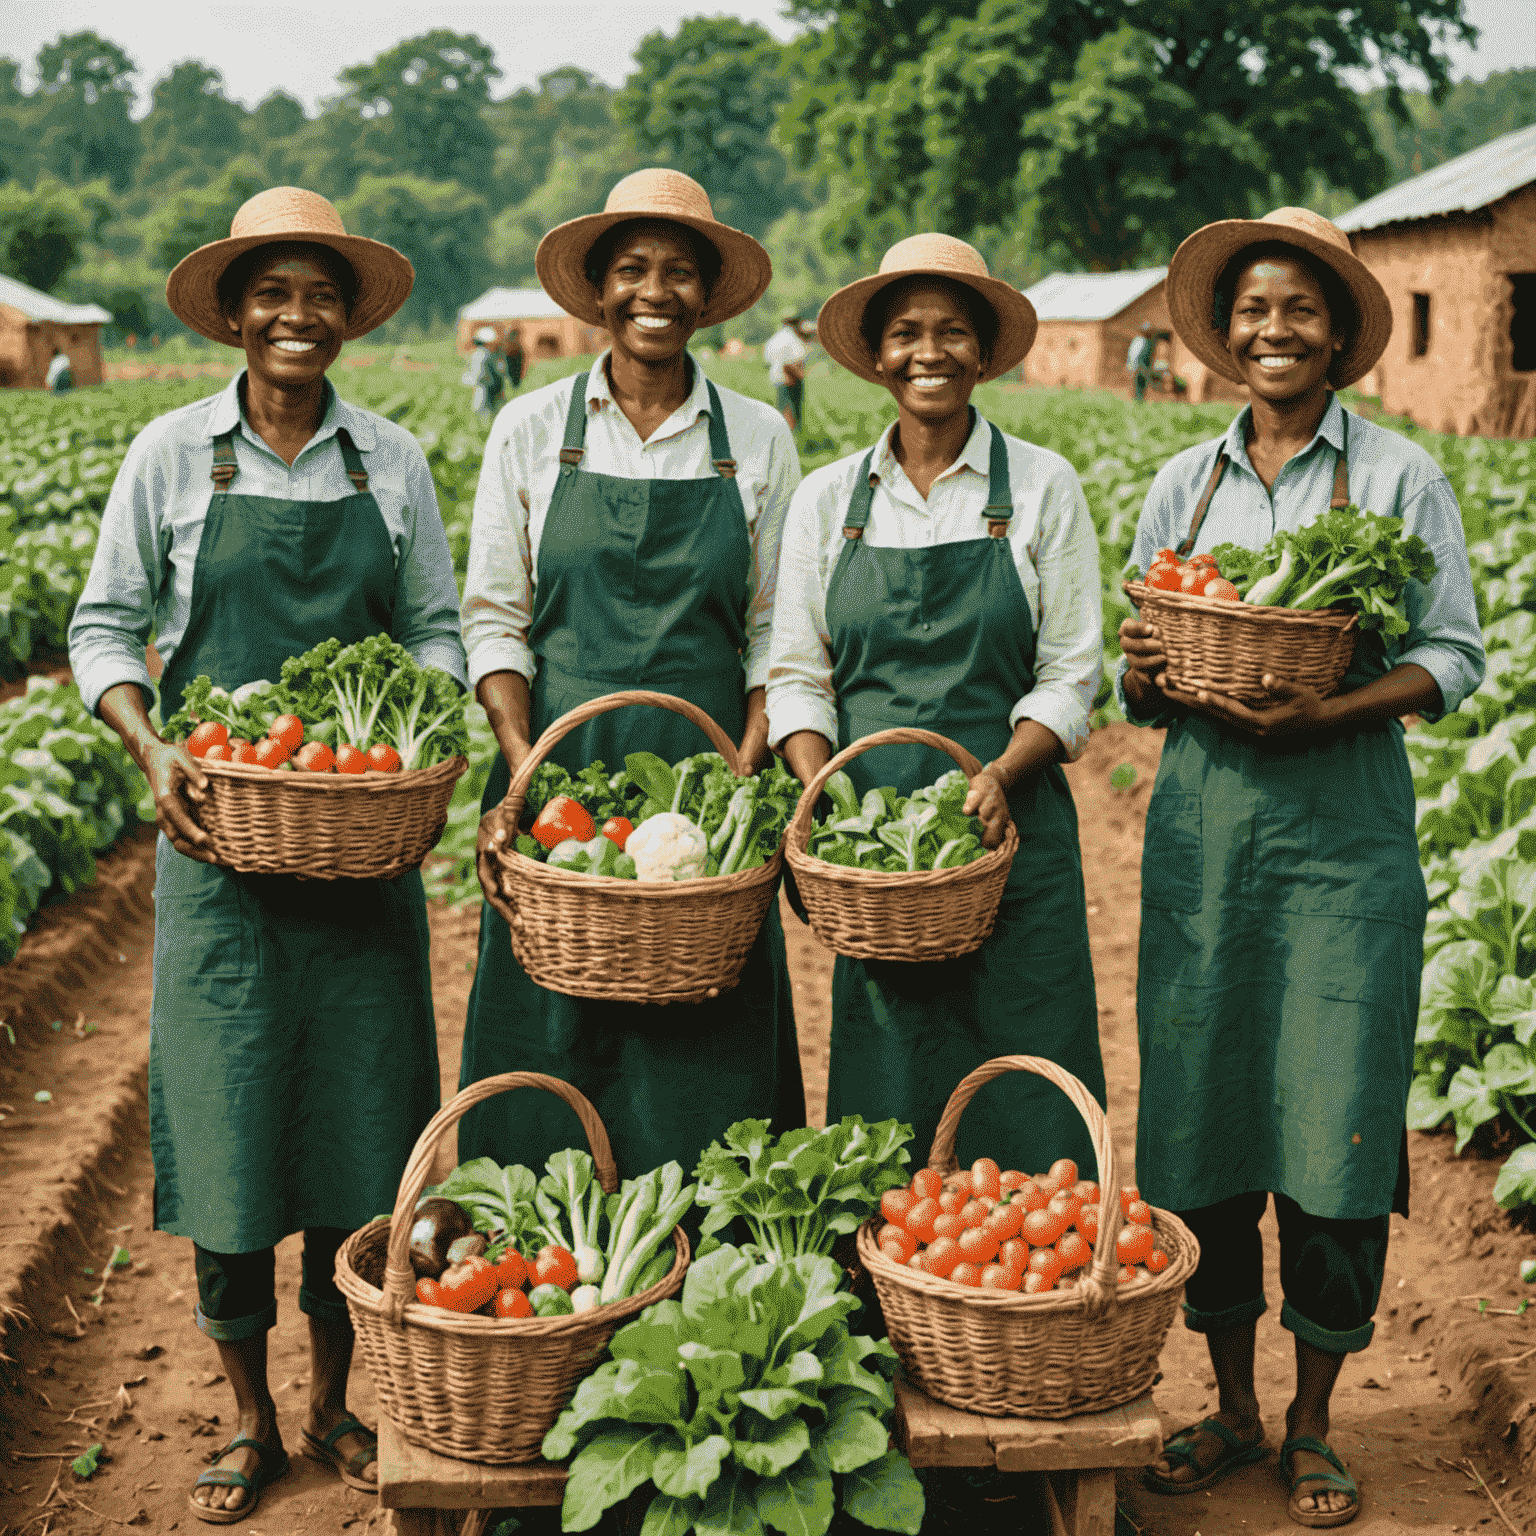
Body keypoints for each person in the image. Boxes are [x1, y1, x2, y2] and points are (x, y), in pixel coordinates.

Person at [67, 187, 466, 1525]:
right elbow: (104, 631)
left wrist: (415, 730)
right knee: (233, 1138)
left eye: (320, 297)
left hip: (360, 870)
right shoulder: (174, 456)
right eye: (272, 296)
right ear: (236, 315)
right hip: (222, 859)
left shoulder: (389, 462)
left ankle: (337, 1399)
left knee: (363, 1141)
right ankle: (247, 1415)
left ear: (348, 319)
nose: (298, 318)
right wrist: (154, 751)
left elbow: (438, 629)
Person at [1119, 207, 1484, 1528]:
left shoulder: (1400, 476)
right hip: (1207, 841)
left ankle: (1319, 1421)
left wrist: (1331, 708)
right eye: (1254, 312)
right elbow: (1145, 674)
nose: (1275, 331)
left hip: (1343, 844)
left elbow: (1451, 656)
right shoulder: (1186, 486)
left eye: (1300, 311)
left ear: (1339, 333)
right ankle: (1229, 1403)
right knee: (1207, 1119)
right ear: (1227, 334)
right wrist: (1144, 674)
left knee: (1335, 1128)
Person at [460, 168, 805, 1188]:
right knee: (552, 1042)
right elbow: (495, 621)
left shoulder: (757, 438)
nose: (655, 292)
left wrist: (737, 783)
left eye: (679, 273)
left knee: (704, 1066)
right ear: (597, 291)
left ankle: (713, 1288)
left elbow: (775, 635)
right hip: (560, 787)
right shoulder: (530, 429)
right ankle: (548, 1302)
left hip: (707, 788)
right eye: (631, 270)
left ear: (707, 296)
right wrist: (529, 772)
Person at [767, 233, 1107, 1178]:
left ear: (985, 352)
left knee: (1030, 1106)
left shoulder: (1042, 487)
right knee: (890, 1117)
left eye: (953, 331)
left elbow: (1073, 675)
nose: (930, 352)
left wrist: (1002, 773)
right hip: (878, 864)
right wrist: (828, 795)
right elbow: (798, 676)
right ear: (876, 356)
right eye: (907, 333)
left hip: (1015, 839)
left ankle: (1034, 1312)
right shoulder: (829, 500)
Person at [763, 309, 809, 431]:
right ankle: (795, 438)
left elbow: (767, 360)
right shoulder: (792, 339)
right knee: (792, 410)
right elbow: (790, 363)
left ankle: (786, 437)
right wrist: (799, 374)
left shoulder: (774, 339)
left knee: (783, 407)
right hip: (790, 380)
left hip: (777, 379)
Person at [465, 324, 507, 423]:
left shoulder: (477, 354)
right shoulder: (485, 355)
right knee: (485, 412)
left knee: (480, 410)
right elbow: (494, 373)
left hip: (482, 387)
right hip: (486, 387)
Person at [1126, 321, 1155, 402]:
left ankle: (1139, 402)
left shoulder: (1148, 342)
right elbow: (1133, 355)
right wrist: (1131, 366)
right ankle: (1137, 403)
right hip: (1139, 367)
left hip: (1144, 368)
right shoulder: (1139, 341)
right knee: (1137, 387)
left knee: (1142, 387)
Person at [504, 325, 525, 392]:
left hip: (515, 371)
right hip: (510, 371)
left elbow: (522, 362)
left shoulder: (516, 346)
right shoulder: (512, 346)